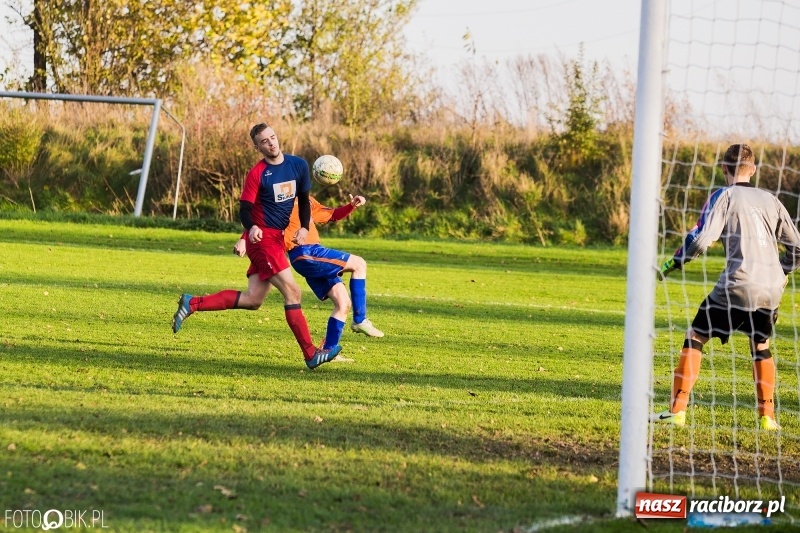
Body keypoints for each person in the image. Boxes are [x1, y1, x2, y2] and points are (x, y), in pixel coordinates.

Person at [654, 143, 800, 431]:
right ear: (753, 169)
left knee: (695, 335)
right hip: (771, 288)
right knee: (761, 343)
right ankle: (767, 418)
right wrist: (781, 270)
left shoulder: (724, 195)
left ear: (724, 168)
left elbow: (700, 239)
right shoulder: (771, 200)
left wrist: (676, 262)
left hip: (738, 284)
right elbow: (797, 247)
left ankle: (677, 410)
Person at [171, 123, 341, 370]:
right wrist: (250, 228)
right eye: (264, 141)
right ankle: (310, 353)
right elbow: (245, 209)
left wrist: (304, 227)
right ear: (257, 147)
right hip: (264, 242)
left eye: (273, 137)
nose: (271, 143)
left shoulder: (298, 165)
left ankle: (192, 302)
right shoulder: (257, 174)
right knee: (293, 292)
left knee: (253, 300)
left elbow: (304, 201)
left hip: (276, 240)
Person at [234, 193, 384, 351]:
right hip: (306, 252)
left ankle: (328, 351)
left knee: (343, 303)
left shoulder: (308, 200)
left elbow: (332, 215)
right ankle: (360, 320)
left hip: (311, 255)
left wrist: (351, 206)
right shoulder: (279, 198)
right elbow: (260, 221)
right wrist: (244, 238)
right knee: (359, 264)